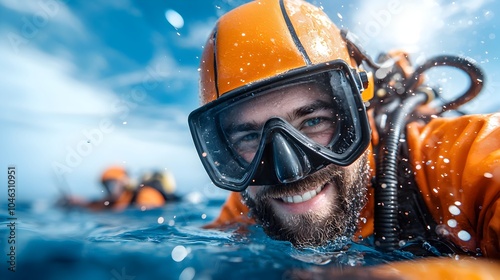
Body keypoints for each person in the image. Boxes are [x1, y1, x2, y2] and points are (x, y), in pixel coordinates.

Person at [188, 0, 500, 260]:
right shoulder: (251, 197)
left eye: (313, 121)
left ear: (359, 110)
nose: (289, 172)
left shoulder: (453, 162)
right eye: (251, 137)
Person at [61, 166, 179, 211]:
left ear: (123, 183)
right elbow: (95, 205)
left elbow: (148, 213)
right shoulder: (114, 201)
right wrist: (78, 202)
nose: (109, 190)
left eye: (111, 184)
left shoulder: (146, 194)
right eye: (106, 186)